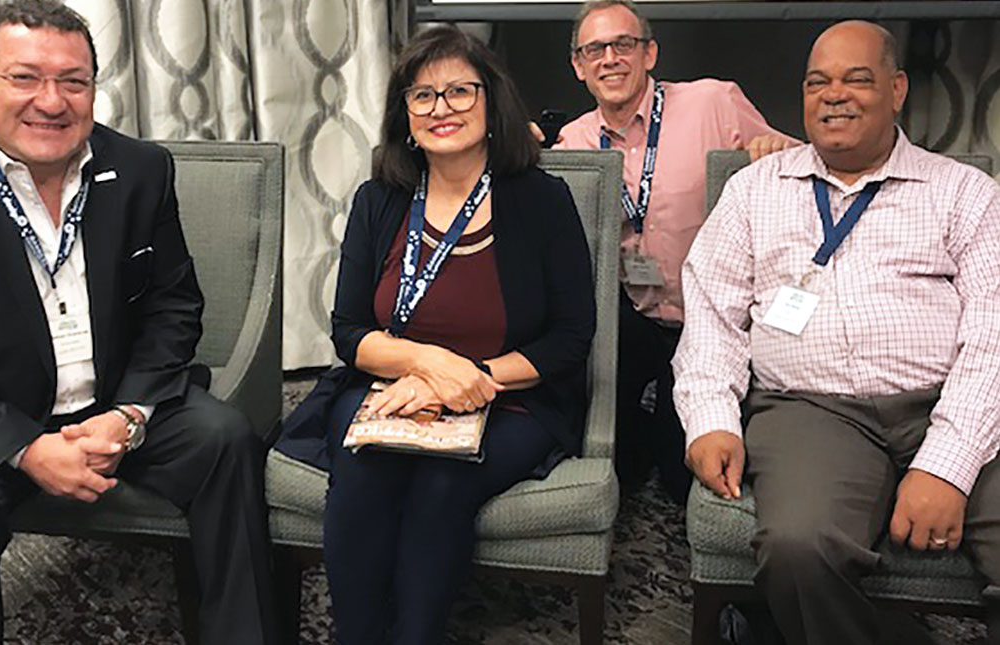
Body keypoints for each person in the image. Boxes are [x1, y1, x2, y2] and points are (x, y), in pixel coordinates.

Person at [0, 2, 276, 643]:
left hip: (111, 406)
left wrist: (129, 415)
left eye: (74, 81)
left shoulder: (141, 169)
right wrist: (26, 447)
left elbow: (174, 307)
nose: (51, 102)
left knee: (223, 439)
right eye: (24, 78)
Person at [675, 20, 1000, 644]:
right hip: (810, 410)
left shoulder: (964, 193)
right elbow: (713, 314)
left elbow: (992, 334)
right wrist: (710, 417)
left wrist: (948, 467)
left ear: (898, 88)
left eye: (857, 79)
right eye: (817, 82)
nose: (834, 95)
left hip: (951, 398)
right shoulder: (753, 192)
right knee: (800, 548)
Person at [278, 25, 595, 645]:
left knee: (444, 480)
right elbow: (349, 332)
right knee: (363, 466)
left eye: (458, 91)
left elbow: (568, 338)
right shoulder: (380, 200)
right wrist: (427, 365)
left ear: (491, 100)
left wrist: (467, 382)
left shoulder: (541, 201)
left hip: (513, 399)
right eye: (421, 96)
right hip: (389, 388)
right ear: (405, 114)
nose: (440, 108)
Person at [554, 0, 798, 503]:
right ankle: (638, 434)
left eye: (624, 44)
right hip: (635, 316)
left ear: (649, 53)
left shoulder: (713, 103)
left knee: (681, 476)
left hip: (712, 323)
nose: (610, 59)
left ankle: (664, 433)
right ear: (579, 66)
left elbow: (804, 168)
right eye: (594, 49)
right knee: (601, 452)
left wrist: (774, 152)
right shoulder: (574, 140)